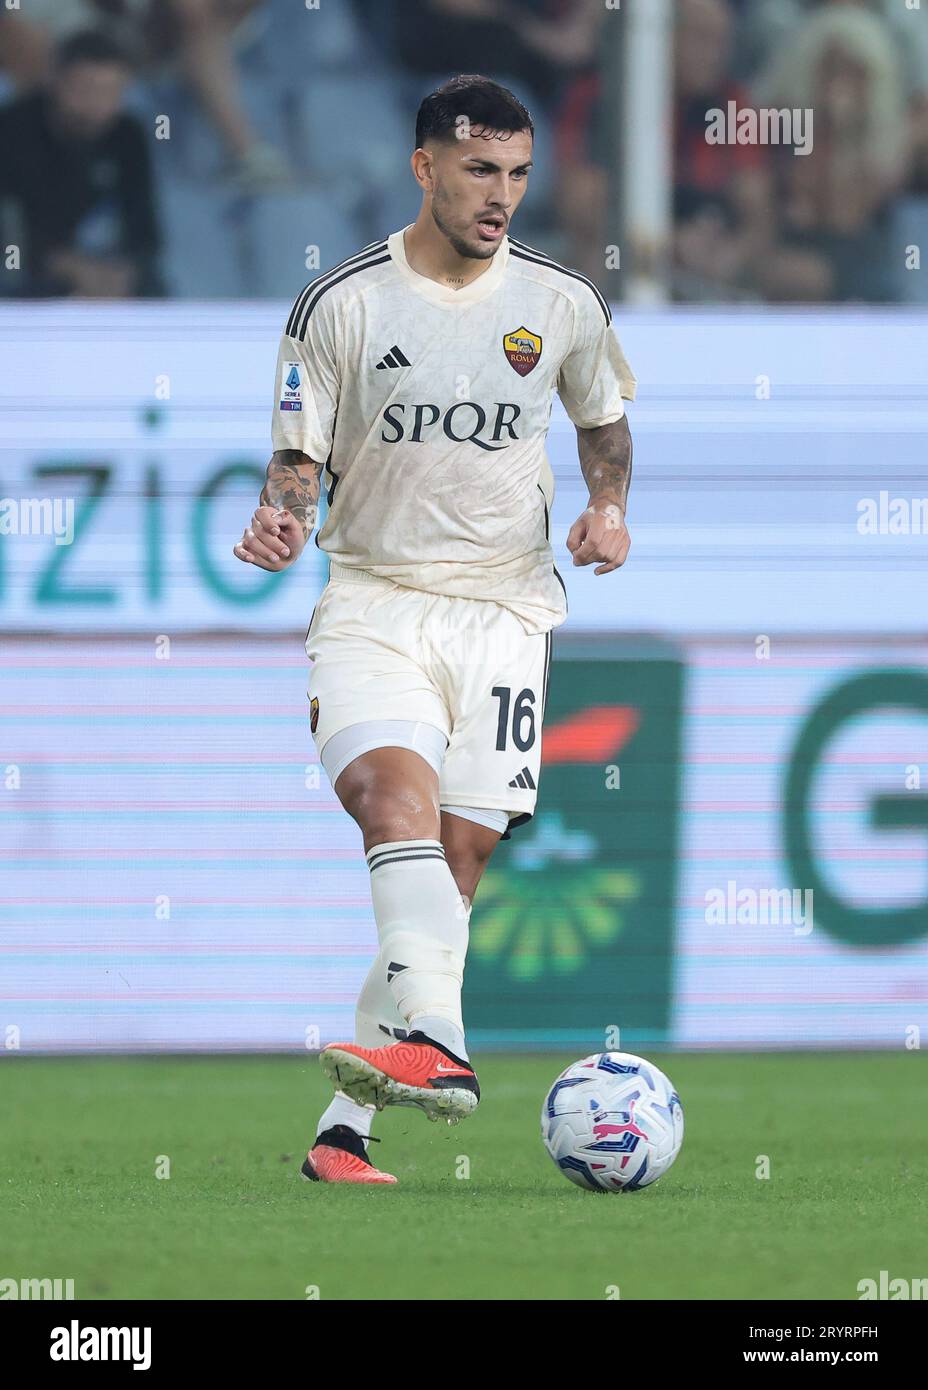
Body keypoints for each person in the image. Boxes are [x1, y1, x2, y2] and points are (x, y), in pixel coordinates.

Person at [233, 74, 636, 1184]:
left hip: (507, 610)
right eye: (477, 171)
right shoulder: (343, 303)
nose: (500, 194)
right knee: (386, 796)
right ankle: (442, 1048)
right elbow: (296, 455)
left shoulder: (560, 303)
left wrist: (608, 509)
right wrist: (281, 515)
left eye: (516, 173)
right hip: (375, 598)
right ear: (423, 168)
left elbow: (603, 422)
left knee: (452, 874)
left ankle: (340, 1135)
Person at [0, 29, 160, 297]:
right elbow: (9, 226)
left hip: (97, 268)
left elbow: (144, 227)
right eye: (85, 88)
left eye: (110, 91)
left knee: (152, 287)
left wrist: (126, 270)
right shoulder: (12, 129)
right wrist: (66, 266)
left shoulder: (127, 135)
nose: (95, 104)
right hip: (23, 267)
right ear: (56, 80)